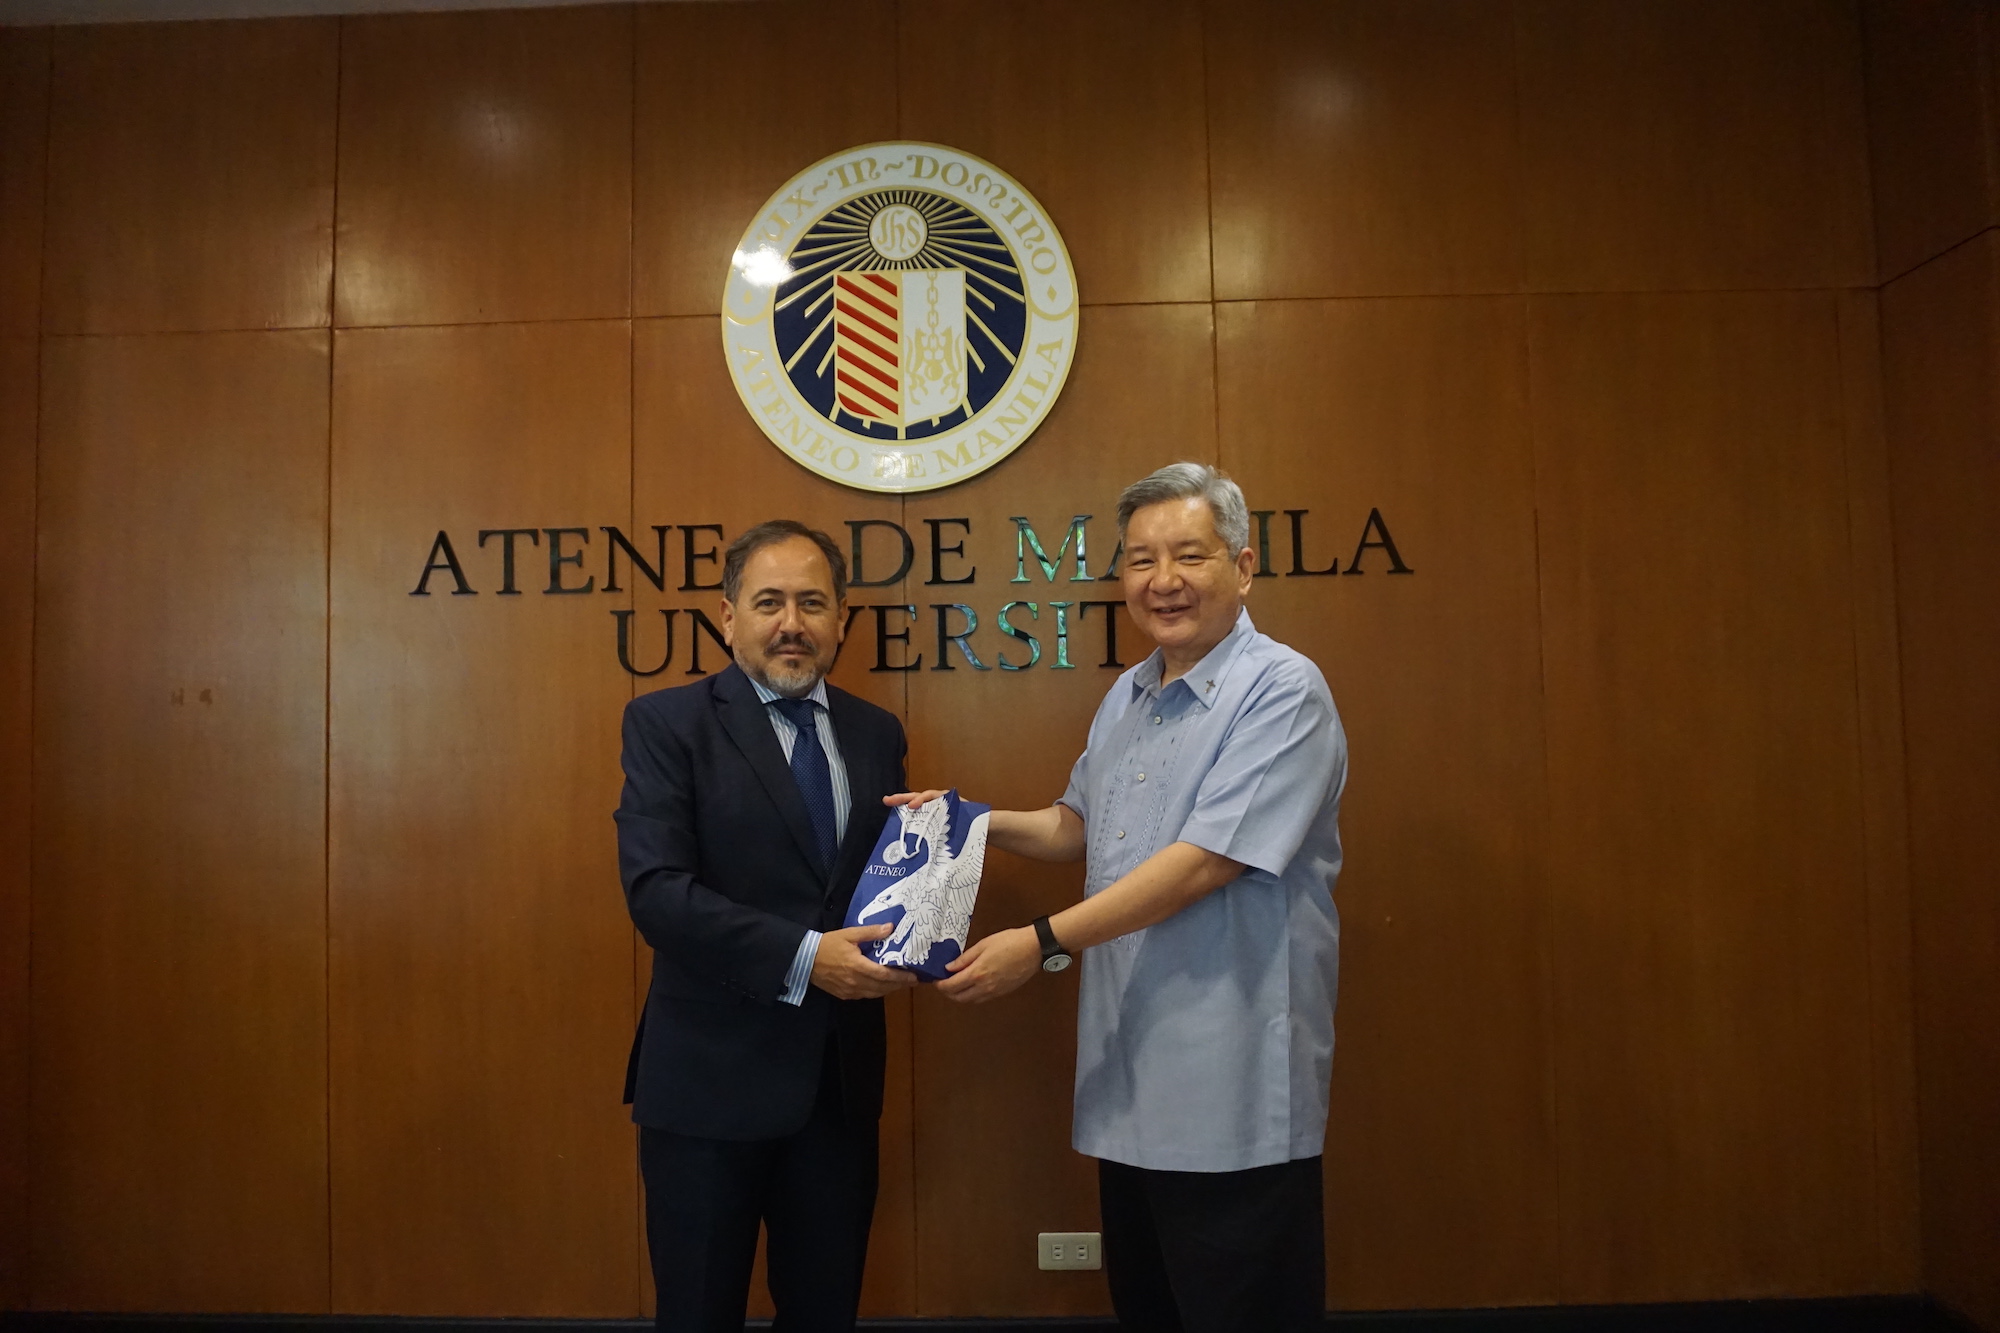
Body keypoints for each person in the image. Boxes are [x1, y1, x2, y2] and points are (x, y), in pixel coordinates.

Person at [897, 462, 1347, 1333]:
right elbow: (1079, 826)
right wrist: (971, 821)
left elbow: (1203, 862)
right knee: (1152, 1307)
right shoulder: (1129, 694)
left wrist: (1041, 940)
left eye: (1189, 555)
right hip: (1130, 1074)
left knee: (1239, 1309)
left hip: (1230, 1081)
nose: (1163, 581)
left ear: (1244, 565)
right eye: (1141, 560)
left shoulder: (1284, 690)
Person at [615, 519, 917, 1333]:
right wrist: (808, 958)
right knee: (698, 1314)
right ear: (728, 616)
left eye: (813, 602)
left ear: (843, 620)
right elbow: (657, 892)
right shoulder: (666, 723)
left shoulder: (876, 732)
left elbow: (872, 890)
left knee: (826, 1314)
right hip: (708, 1090)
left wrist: (930, 888)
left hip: (838, 1091)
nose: (793, 622)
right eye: (771, 601)